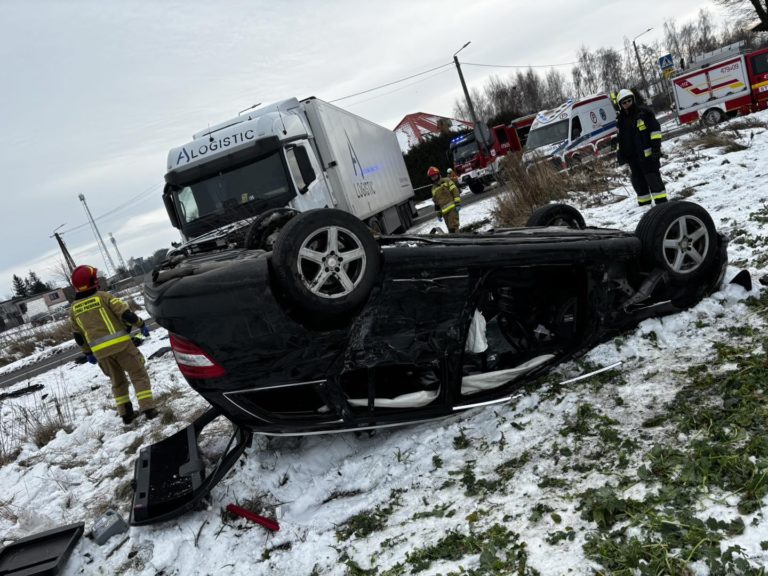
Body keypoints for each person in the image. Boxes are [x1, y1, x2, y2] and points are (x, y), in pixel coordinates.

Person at [69, 265, 157, 424]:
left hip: (101, 354)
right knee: (138, 375)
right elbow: (126, 314)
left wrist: (88, 353)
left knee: (117, 382)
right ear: (92, 281)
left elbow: (78, 336)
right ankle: (148, 409)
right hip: (122, 346)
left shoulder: (73, 309)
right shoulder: (104, 297)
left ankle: (126, 414)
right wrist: (141, 324)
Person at [615, 88, 668, 207]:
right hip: (632, 158)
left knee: (653, 180)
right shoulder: (620, 120)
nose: (627, 104)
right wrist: (620, 154)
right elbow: (620, 139)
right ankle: (644, 206)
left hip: (648, 156)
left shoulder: (644, 114)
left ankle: (662, 205)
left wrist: (656, 150)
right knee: (638, 182)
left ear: (633, 100)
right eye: (624, 103)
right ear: (620, 105)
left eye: (629, 101)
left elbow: (655, 132)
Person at [428, 166, 462, 233]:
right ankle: (454, 242)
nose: (433, 177)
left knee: (454, 227)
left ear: (438, 174)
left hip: (452, 209)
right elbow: (436, 202)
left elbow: (455, 191)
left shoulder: (446, 181)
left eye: (434, 175)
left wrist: (457, 203)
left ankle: (458, 241)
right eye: (432, 176)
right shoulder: (433, 188)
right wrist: (439, 214)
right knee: (450, 229)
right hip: (444, 212)